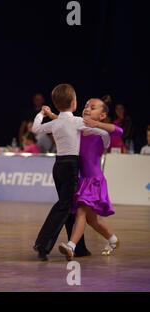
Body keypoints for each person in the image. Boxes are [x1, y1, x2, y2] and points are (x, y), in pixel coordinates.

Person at [31, 84, 109, 261]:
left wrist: (42, 115)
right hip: (71, 167)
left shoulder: (57, 122)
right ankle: (42, 244)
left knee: (71, 208)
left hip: (58, 166)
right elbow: (101, 131)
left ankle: (79, 247)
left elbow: (35, 128)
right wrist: (105, 143)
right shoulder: (77, 122)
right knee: (64, 206)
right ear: (74, 103)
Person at [58, 98, 122, 260]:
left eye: (92, 107)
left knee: (80, 212)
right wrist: (51, 115)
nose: (87, 108)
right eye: (86, 106)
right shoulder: (78, 130)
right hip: (82, 180)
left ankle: (71, 246)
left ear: (102, 115)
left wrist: (97, 125)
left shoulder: (102, 134)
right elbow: (64, 122)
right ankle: (113, 240)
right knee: (92, 221)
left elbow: (119, 131)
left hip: (94, 181)